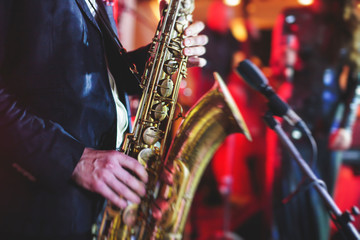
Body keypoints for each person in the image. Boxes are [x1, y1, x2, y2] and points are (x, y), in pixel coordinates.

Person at [0, 0, 208, 239]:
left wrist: (166, 53)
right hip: (43, 207)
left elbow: (102, 74)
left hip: (102, 202)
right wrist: (74, 160)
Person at [270, 0, 360, 239]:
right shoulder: (291, 16)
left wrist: (346, 125)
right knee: (289, 195)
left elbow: (356, 81)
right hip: (294, 116)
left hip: (329, 121)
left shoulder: (349, 23)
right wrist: (283, 63)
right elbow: (279, 71)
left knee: (322, 197)